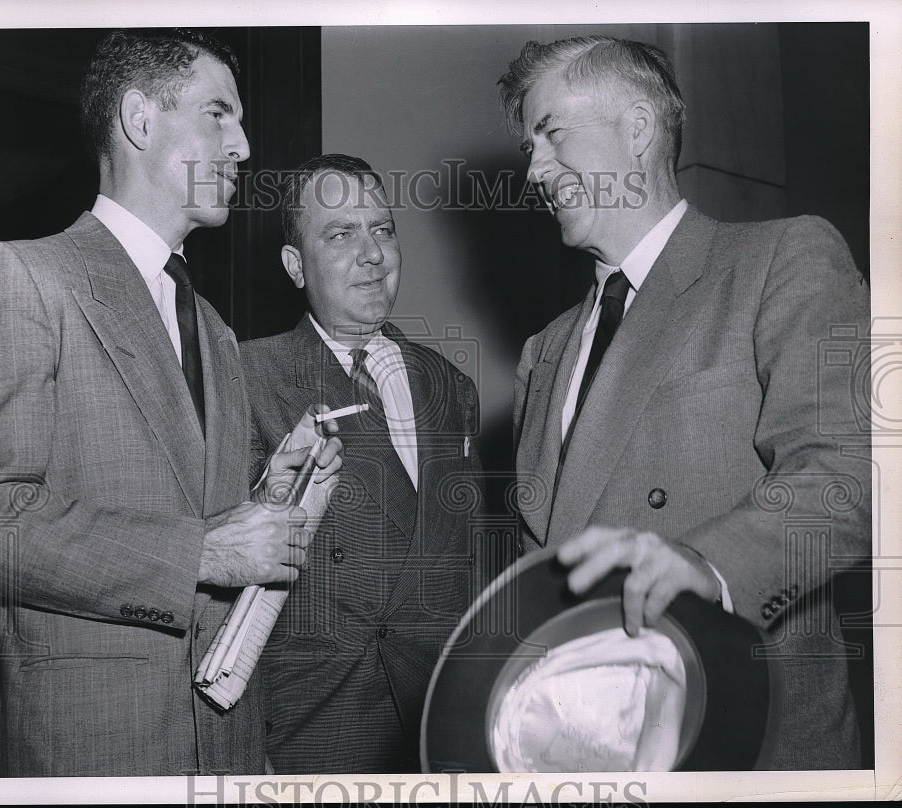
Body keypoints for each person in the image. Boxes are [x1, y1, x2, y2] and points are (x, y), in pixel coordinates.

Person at [0, 28, 340, 777]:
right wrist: (203, 552)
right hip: (97, 750)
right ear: (139, 119)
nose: (244, 146)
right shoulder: (23, 275)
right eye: (218, 114)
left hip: (225, 750)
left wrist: (266, 496)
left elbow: (188, 513)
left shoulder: (213, 327)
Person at [500, 36, 871, 769]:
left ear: (638, 129)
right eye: (528, 149)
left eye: (552, 134)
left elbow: (850, 475)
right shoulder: (544, 350)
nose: (535, 171)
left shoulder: (781, 259)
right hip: (590, 755)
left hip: (747, 742)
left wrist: (707, 565)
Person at [239, 154, 482, 773]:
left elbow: (470, 565)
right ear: (295, 265)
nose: (372, 254)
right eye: (341, 234)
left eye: (383, 229)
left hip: (441, 727)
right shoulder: (245, 377)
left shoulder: (450, 385)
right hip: (317, 731)